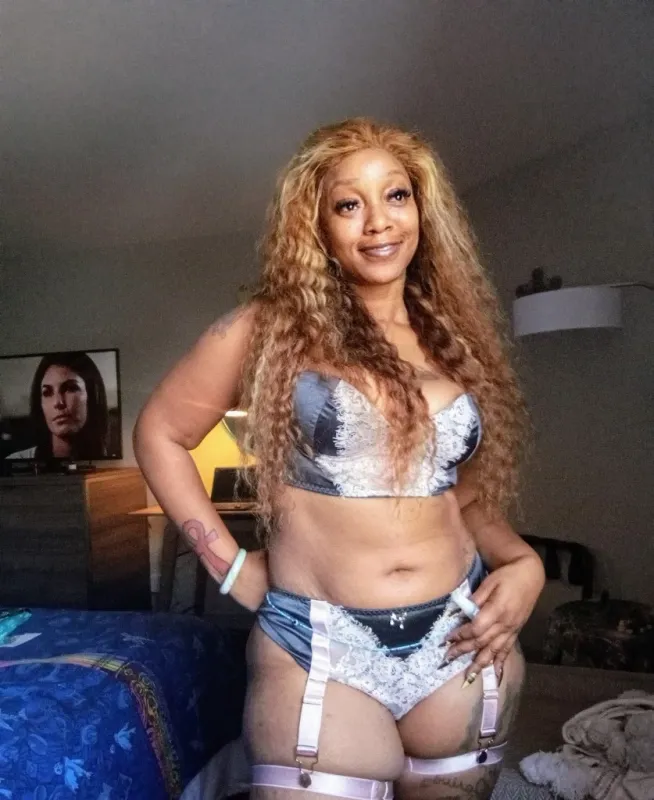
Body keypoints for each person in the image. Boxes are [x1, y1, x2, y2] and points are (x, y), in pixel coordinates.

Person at [133, 117, 546, 800]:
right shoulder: (268, 327)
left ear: (422, 209)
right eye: (349, 204)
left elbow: (461, 495)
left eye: (396, 195)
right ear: (317, 225)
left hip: (460, 633)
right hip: (321, 644)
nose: (379, 221)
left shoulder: (451, 334)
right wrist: (228, 566)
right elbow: (160, 432)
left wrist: (523, 563)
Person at [7, 352, 109, 460]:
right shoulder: (15, 461)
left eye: (71, 388)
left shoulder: (112, 462)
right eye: (47, 393)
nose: (58, 402)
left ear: (92, 396)